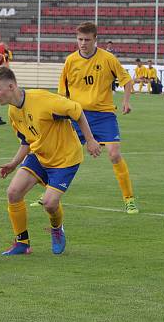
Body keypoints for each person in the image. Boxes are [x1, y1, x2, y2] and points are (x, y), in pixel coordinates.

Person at [0, 66, 101, 255]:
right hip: (39, 156)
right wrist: (13, 164)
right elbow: (26, 141)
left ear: (11, 86)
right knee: (13, 192)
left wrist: (90, 140)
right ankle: (22, 243)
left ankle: (57, 229)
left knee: (49, 204)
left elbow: (77, 110)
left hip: (65, 159)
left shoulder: (43, 101)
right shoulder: (13, 112)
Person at [46, 22, 139, 214]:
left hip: (104, 114)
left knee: (114, 153)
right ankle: (47, 195)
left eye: (87, 40)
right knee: (59, 154)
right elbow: (62, 93)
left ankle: (129, 199)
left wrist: (126, 101)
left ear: (95, 39)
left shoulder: (108, 58)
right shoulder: (70, 61)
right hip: (77, 114)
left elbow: (127, 81)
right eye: (80, 39)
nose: (83, 43)